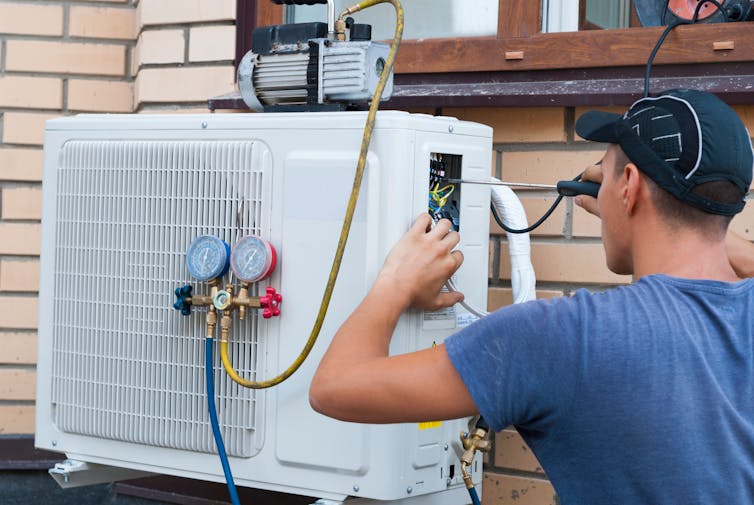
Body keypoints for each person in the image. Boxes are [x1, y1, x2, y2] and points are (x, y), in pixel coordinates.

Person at [309, 89, 754, 504]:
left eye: (608, 169)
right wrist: (672, 215)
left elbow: (334, 388)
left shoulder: (561, 337)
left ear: (630, 185)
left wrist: (396, 282)